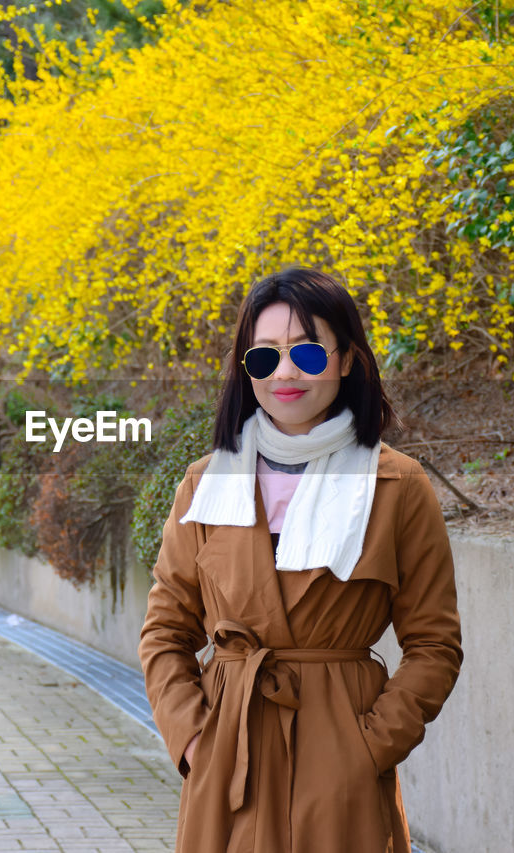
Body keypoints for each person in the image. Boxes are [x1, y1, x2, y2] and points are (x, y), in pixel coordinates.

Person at [139, 267, 462, 852]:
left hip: (338, 758)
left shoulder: (397, 486)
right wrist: (194, 740)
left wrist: (366, 747)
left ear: (346, 362)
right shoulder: (206, 485)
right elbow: (165, 632)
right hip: (229, 757)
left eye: (308, 354)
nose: (285, 373)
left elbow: (434, 645)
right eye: (264, 357)